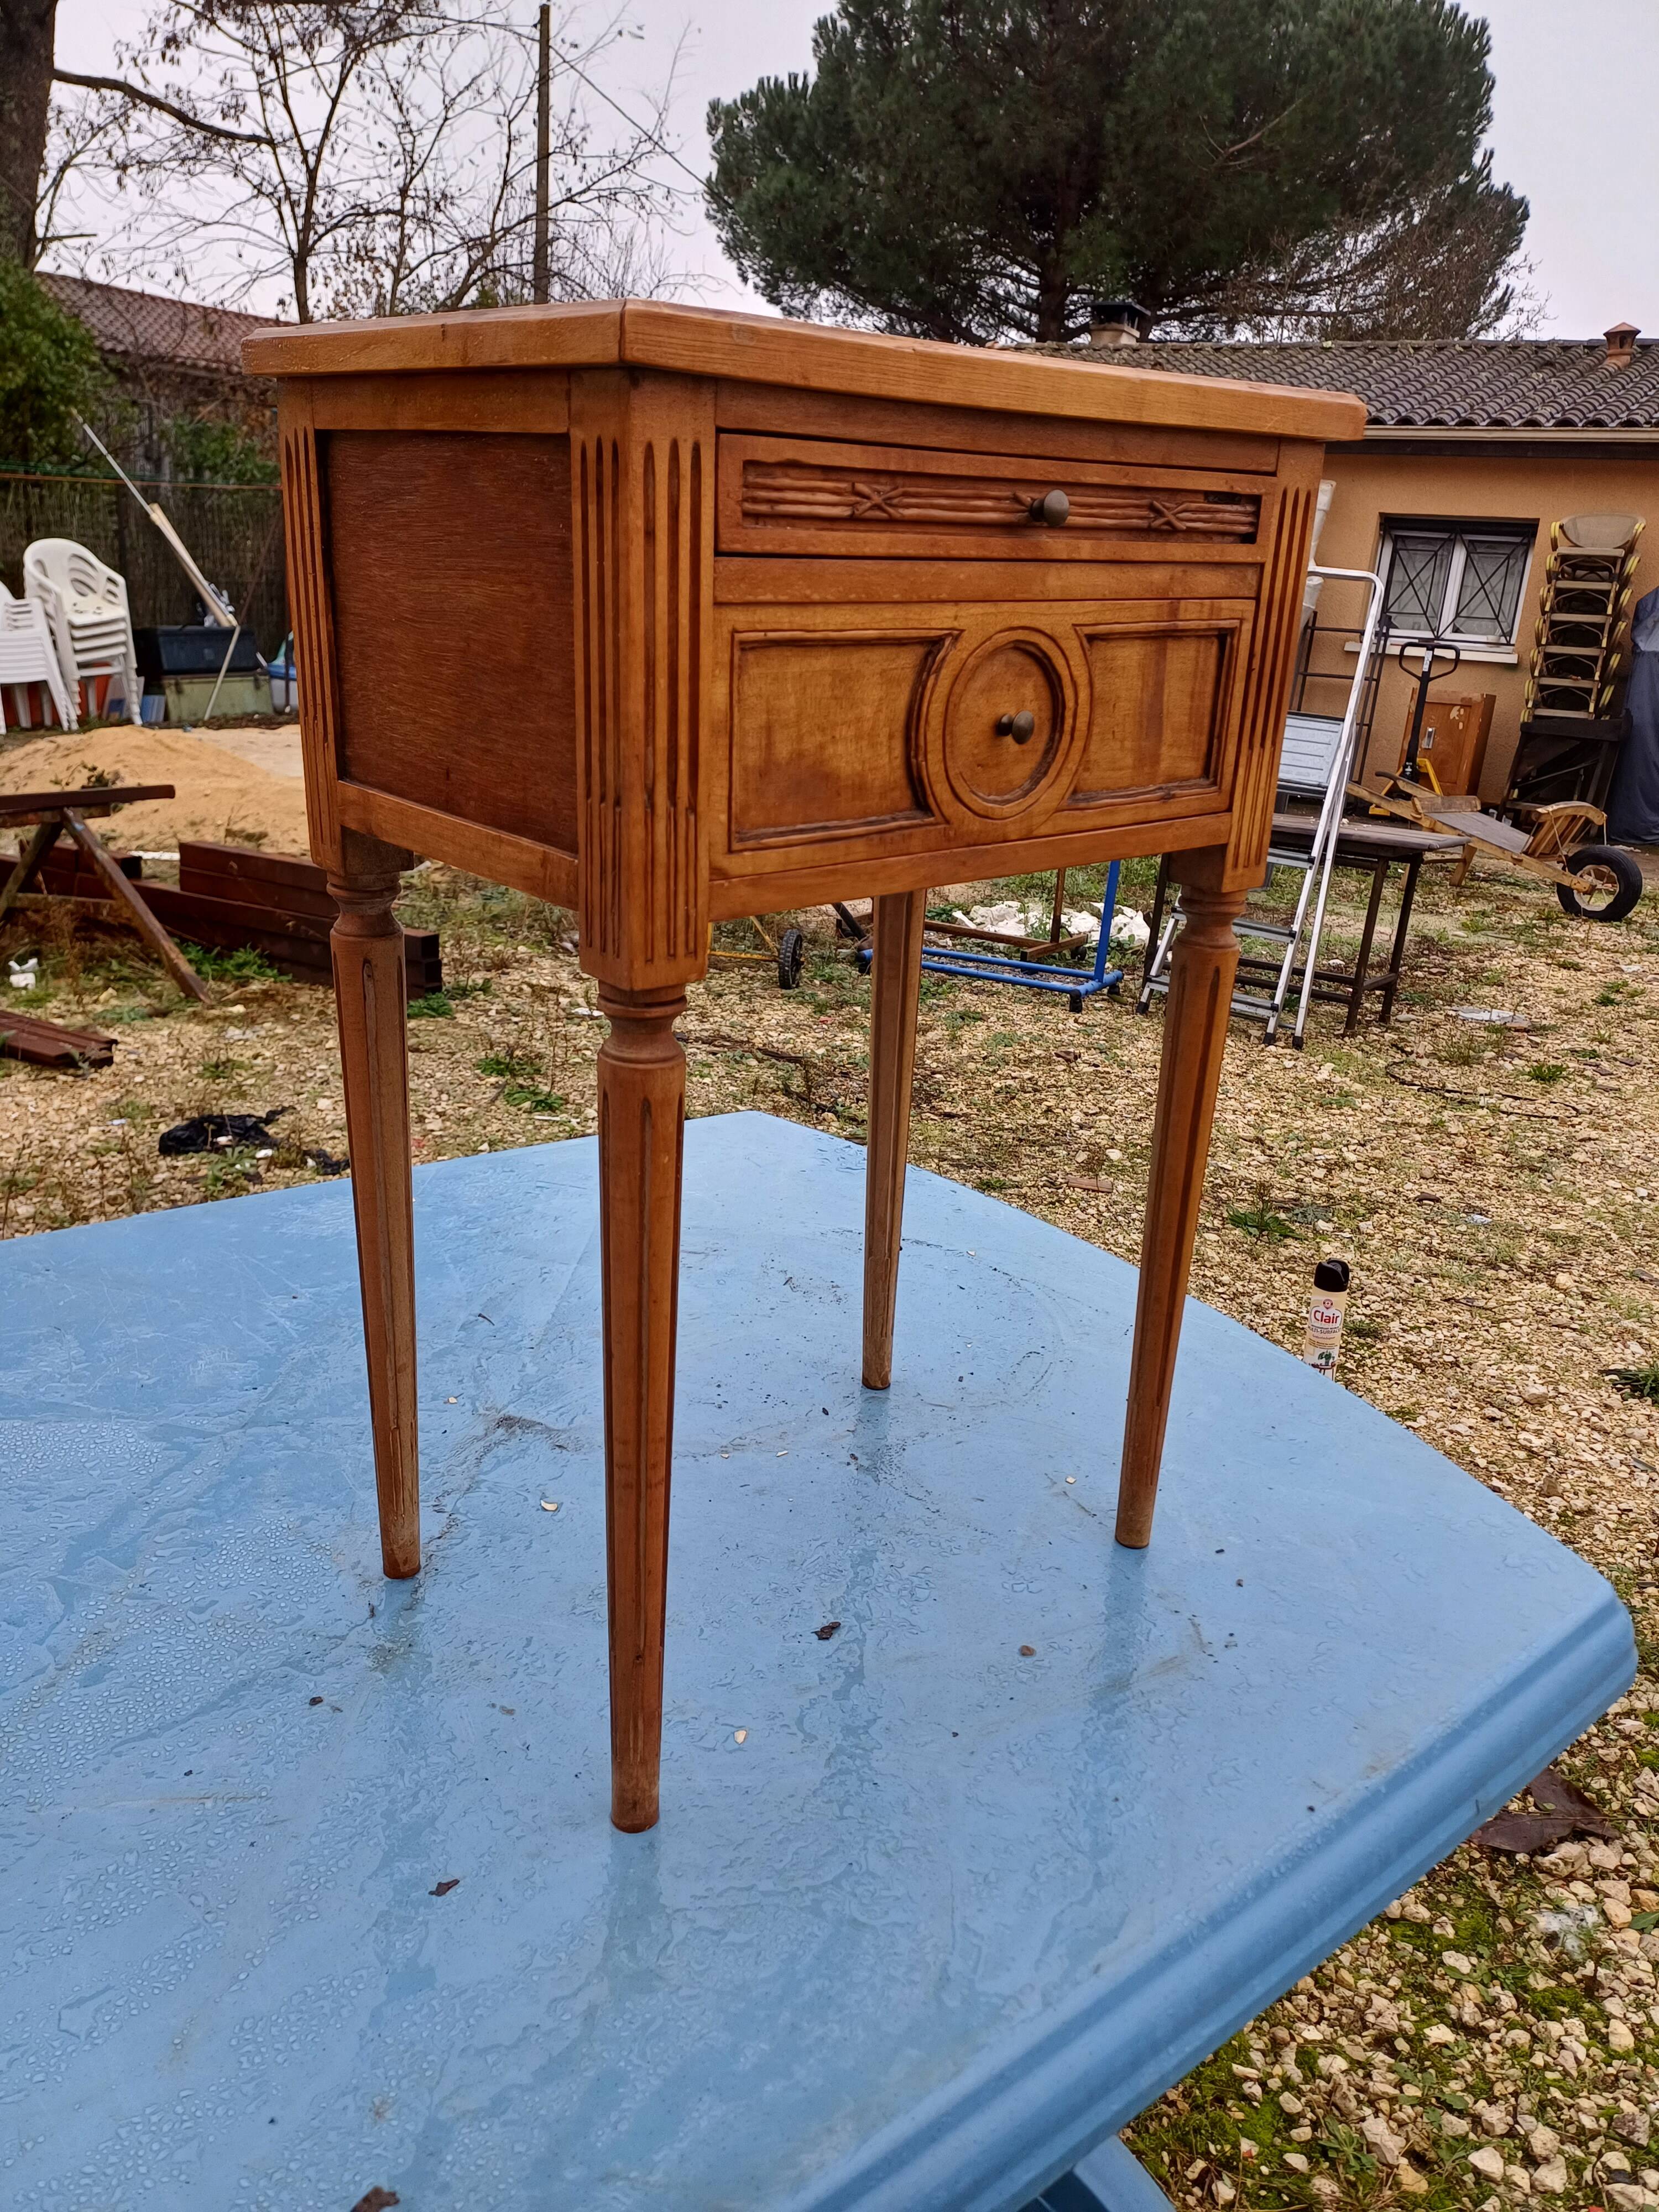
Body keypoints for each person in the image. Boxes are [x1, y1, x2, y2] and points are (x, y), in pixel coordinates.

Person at [1608, 585, 1659, 845]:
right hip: (1646, 698)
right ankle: (1640, 826)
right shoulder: (1651, 605)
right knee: (1643, 753)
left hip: (1647, 693)